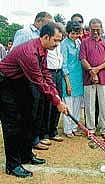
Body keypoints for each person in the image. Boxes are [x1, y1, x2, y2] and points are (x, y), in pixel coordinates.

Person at [0, 22, 68, 178]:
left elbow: (46, 74)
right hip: (5, 83)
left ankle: (25, 155)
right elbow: (39, 81)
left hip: (19, 82)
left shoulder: (42, 49)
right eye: (56, 41)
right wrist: (57, 102)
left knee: (28, 118)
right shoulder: (30, 53)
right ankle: (12, 165)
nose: (57, 44)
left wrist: (56, 95)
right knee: (12, 123)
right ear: (45, 37)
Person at [13, 11, 52, 150]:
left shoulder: (42, 38)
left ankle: (34, 140)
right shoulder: (24, 33)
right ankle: (26, 144)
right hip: (24, 78)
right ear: (39, 21)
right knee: (28, 111)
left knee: (38, 109)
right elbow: (15, 54)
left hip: (36, 77)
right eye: (48, 24)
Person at [80, 18, 105, 139]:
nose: (95, 32)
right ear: (89, 29)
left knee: (104, 105)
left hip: (103, 78)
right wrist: (92, 73)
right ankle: (91, 129)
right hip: (88, 79)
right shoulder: (84, 43)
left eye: (98, 29)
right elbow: (83, 59)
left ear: (101, 29)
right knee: (89, 105)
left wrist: (97, 70)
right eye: (93, 30)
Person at [61, 20, 83, 138]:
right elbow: (63, 64)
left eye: (77, 33)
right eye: (72, 33)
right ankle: (68, 129)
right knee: (68, 104)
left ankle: (75, 127)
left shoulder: (79, 42)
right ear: (68, 32)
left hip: (78, 78)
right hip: (68, 78)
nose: (75, 36)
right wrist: (68, 83)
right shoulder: (64, 44)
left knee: (77, 104)